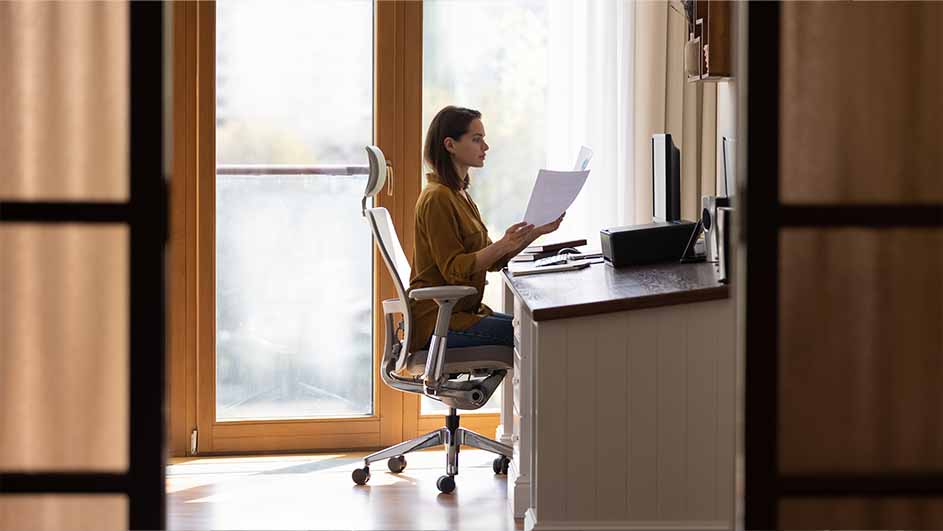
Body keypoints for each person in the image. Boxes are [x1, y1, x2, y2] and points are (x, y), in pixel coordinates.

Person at [408, 105, 564, 352]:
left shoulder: (459, 194)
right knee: (537, 335)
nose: (485, 147)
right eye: (476, 139)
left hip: (462, 315)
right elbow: (454, 270)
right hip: (438, 324)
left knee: (537, 326)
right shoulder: (437, 198)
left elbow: (491, 261)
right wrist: (504, 243)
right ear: (450, 145)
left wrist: (536, 231)